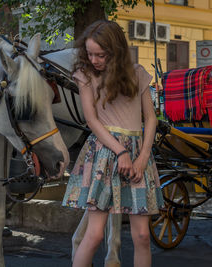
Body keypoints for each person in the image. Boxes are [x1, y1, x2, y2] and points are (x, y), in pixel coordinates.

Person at [62, 20, 164, 267]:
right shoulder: (85, 76)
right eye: (89, 53)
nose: (94, 60)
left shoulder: (137, 73)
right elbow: (91, 120)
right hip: (105, 153)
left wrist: (141, 158)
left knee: (141, 236)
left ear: (116, 51)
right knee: (95, 234)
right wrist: (120, 152)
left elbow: (150, 119)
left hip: (139, 152)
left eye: (101, 55)